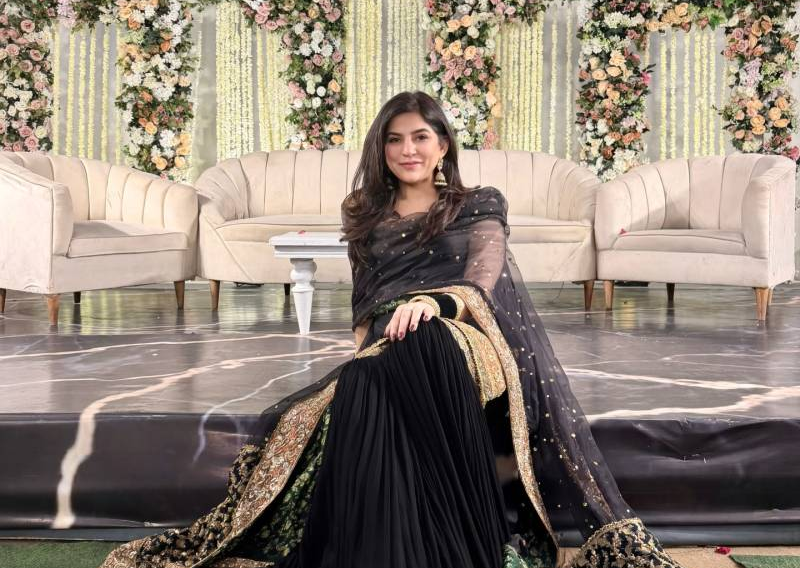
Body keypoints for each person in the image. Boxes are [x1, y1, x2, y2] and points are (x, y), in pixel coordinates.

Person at [102, 91, 681, 568]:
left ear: (443, 144)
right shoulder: (364, 211)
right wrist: (368, 350)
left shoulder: (478, 203)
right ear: (380, 148)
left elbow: (482, 278)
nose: (408, 150)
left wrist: (433, 303)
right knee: (362, 385)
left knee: (425, 341)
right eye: (395, 139)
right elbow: (365, 304)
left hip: (463, 336)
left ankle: (459, 549)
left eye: (420, 137)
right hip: (388, 342)